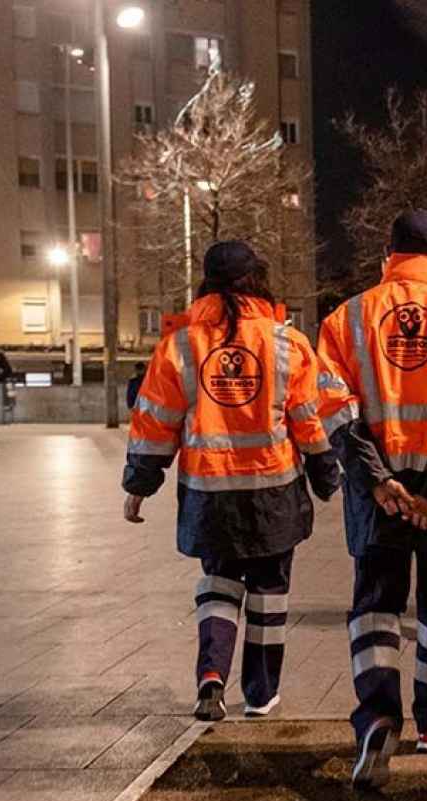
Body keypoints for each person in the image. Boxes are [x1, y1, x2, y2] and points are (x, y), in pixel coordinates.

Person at [315, 209, 427, 789]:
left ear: (386, 257)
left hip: (380, 497)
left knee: (375, 605)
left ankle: (376, 715)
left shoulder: (345, 320)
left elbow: (335, 409)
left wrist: (376, 480)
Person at [123, 240, 337, 721]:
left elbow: (156, 419)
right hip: (273, 492)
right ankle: (260, 695)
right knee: (268, 592)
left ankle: (211, 677)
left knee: (218, 583)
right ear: (257, 280)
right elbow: (308, 420)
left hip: (209, 493)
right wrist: (325, 474)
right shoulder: (288, 344)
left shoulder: (180, 344)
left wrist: (139, 484)